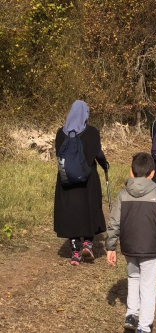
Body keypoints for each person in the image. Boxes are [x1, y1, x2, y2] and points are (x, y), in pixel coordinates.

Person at [105, 152, 156, 333]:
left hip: (129, 247)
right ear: (152, 173)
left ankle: (131, 314)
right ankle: (144, 325)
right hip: (149, 248)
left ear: (131, 172)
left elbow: (114, 222)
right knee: (148, 285)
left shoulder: (123, 195)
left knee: (133, 278)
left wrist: (110, 246)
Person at [54, 100, 109, 266]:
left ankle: (75, 252)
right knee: (90, 208)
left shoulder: (60, 133)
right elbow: (96, 153)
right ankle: (88, 244)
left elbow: (58, 154)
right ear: (85, 114)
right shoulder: (92, 132)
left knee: (71, 212)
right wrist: (105, 164)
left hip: (66, 179)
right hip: (88, 178)